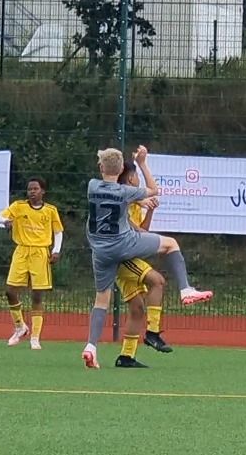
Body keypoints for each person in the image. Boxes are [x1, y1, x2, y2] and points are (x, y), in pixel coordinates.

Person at [82, 145, 213, 369]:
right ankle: (185, 289)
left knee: (102, 300)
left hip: (100, 251)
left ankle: (91, 347)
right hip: (123, 245)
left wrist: (139, 202)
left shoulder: (92, 186)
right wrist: (142, 163)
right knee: (171, 244)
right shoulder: (125, 192)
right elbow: (153, 189)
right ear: (123, 170)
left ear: (101, 167)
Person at [112, 157, 173, 369]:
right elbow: (135, 229)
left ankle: (126, 356)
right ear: (130, 178)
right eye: (136, 174)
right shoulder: (122, 199)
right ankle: (152, 333)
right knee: (158, 281)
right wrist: (143, 163)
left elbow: (143, 230)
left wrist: (150, 210)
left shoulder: (133, 202)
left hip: (127, 256)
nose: (138, 179)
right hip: (123, 257)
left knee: (137, 309)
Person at [0, 177, 64, 350]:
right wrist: (5, 221)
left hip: (40, 253)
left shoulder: (50, 210)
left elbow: (58, 232)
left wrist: (56, 250)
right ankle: (20, 327)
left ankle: (35, 337)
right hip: (21, 251)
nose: (32, 192)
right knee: (10, 291)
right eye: (29, 189)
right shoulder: (18, 206)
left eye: (35, 189)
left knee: (37, 295)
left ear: (43, 191)